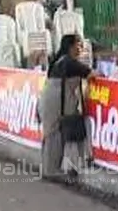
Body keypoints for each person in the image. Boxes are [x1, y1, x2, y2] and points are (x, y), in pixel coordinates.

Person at [38, 34, 95, 179]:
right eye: (78, 45)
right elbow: (91, 75)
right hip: (59, 100)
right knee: (65, 131)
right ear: (71, 47)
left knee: (50, 131)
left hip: (47, 97)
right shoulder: (70, 62)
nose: (80, 49)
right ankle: (61, 168)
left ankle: (49, 167)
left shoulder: (57, 60)